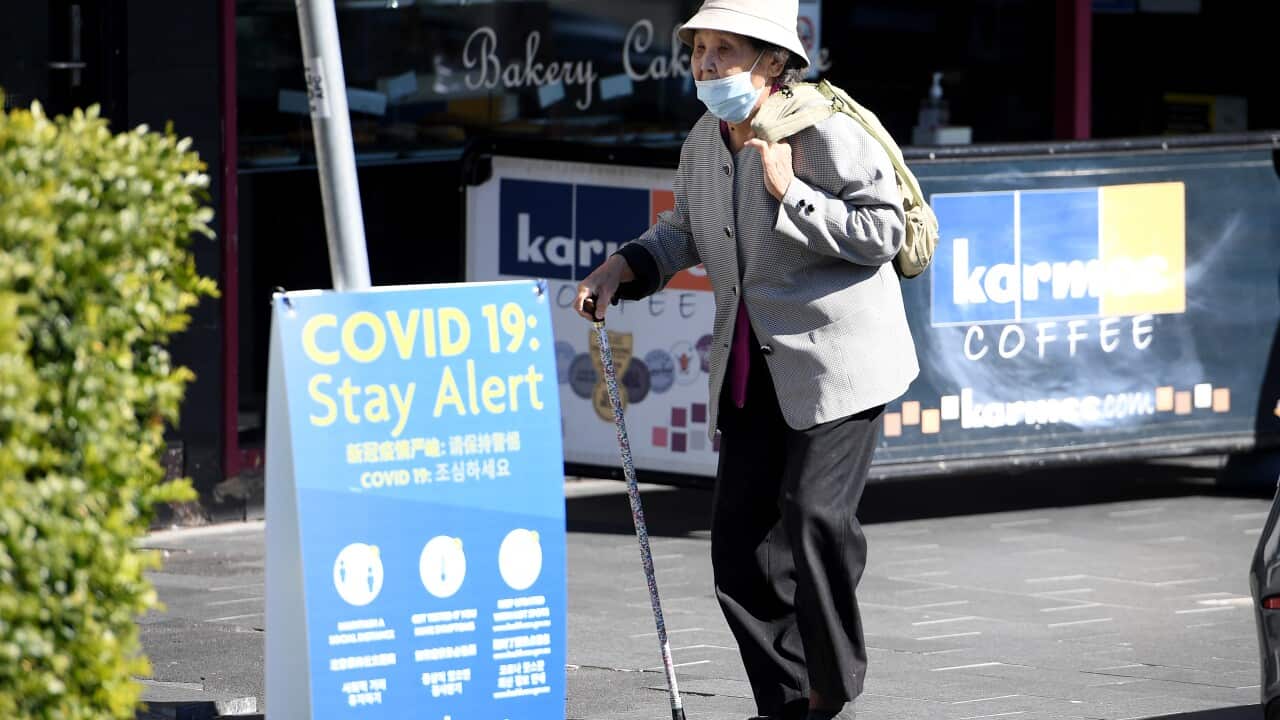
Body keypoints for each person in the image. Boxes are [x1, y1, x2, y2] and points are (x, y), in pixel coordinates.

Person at [575, 1, 919, 718]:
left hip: (838, 363)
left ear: (770, 61)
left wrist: (792, 192)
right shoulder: (706, 138)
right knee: (739, 548)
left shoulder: (827, 130)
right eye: (699, 49)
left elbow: (883, 231)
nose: (706, 64)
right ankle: (789, 701)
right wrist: (625, 267)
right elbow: (683, 232)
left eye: (724, 49)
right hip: (750, 364)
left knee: (814, 517)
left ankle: (833, 687)